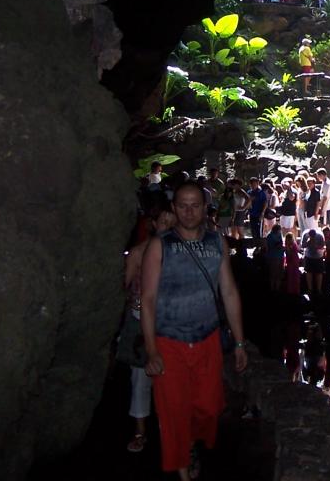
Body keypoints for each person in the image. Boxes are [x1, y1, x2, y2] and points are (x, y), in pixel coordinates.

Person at [140, 183, 247, 480]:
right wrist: (151, 350)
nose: (189, 211)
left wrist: (239, 342)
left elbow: (229, 292)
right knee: (174, 412)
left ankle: (190, 442)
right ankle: (183, 468)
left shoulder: (216, 243)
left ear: (204, 208)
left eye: (195, 205)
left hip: (207, 337)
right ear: (174, 208)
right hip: (169, 339)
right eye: (183, 205)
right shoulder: (160, 245)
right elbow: (147, 300)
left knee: (209, 408)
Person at [123, 204, 175, 454]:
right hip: (139, 318)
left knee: (169, 378)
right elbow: (125, 286)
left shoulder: (178, 253)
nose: (166, 225)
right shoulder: (137, 253)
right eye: (162, 221)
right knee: (140, 378)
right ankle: (140, 430)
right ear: (154, 224)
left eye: (170, 221)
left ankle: (169, 429)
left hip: (168, 320)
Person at [301, 226, 326, 296]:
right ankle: (310, 289)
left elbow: (322, 246)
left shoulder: (320, 235)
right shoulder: (305, 234)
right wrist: (307, 243)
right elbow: (302, 246)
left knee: (319, 272)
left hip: (318, 256)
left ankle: (319, 289)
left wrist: (316, 246)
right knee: (309, 272)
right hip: (308, 256)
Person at [264, 223, 285, 291]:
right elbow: (269, 247)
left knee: (278, 274)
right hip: (273, 257)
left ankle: (277, 289)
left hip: (280, 256)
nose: (280, 231)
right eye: (279, 230)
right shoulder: (270, 236)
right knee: (273, 274)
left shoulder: (279, 235)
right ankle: (273, 288)